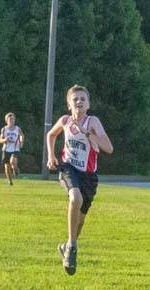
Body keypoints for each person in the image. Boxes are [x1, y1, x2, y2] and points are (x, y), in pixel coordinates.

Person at [45, 85, 113, 276]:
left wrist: (87, 133)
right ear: (69, 104)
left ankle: (67, 246)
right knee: (75, 198)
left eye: (83, 99)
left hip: (88, 177)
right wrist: (51, 156)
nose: (79, 102)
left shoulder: (93, 122)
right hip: (68, 168)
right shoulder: (65, 120)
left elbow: (108, 147)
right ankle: (72, 247)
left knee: (80, 222)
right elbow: (51, 135)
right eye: (75, 99)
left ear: (88, 104)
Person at [0, 113, 24, 185]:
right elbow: (0, 140)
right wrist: (5, 140)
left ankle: (15, 168)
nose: (12, 120)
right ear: (6, 120)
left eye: (13, 119)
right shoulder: (4, 129)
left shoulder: (18, 129)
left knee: (12, 161)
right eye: (10, 119)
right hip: (6, 149)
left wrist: (21, 142)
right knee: (7, 166)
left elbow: (22, 135)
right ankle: (10, 181)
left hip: (15, 148)